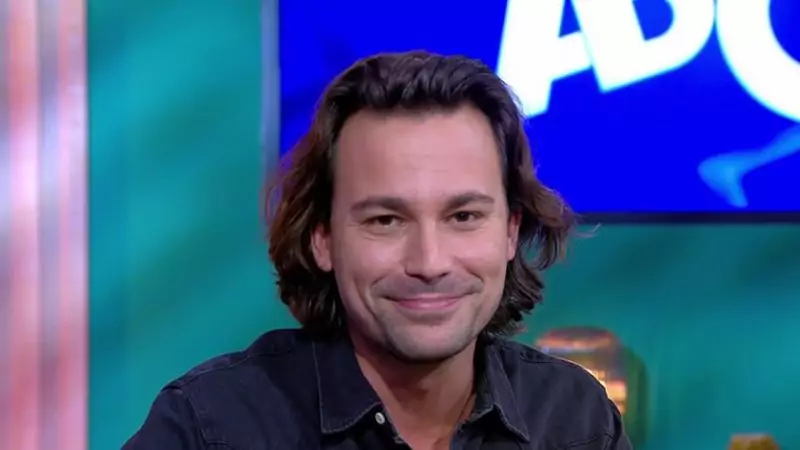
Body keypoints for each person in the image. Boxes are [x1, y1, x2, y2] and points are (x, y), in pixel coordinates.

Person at [124, 51, 631, 450]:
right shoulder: (210, 427)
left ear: (510, 232)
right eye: (385, 221)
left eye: (463, 217)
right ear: (322, 238)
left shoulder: (575, 422)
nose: (429, 263)